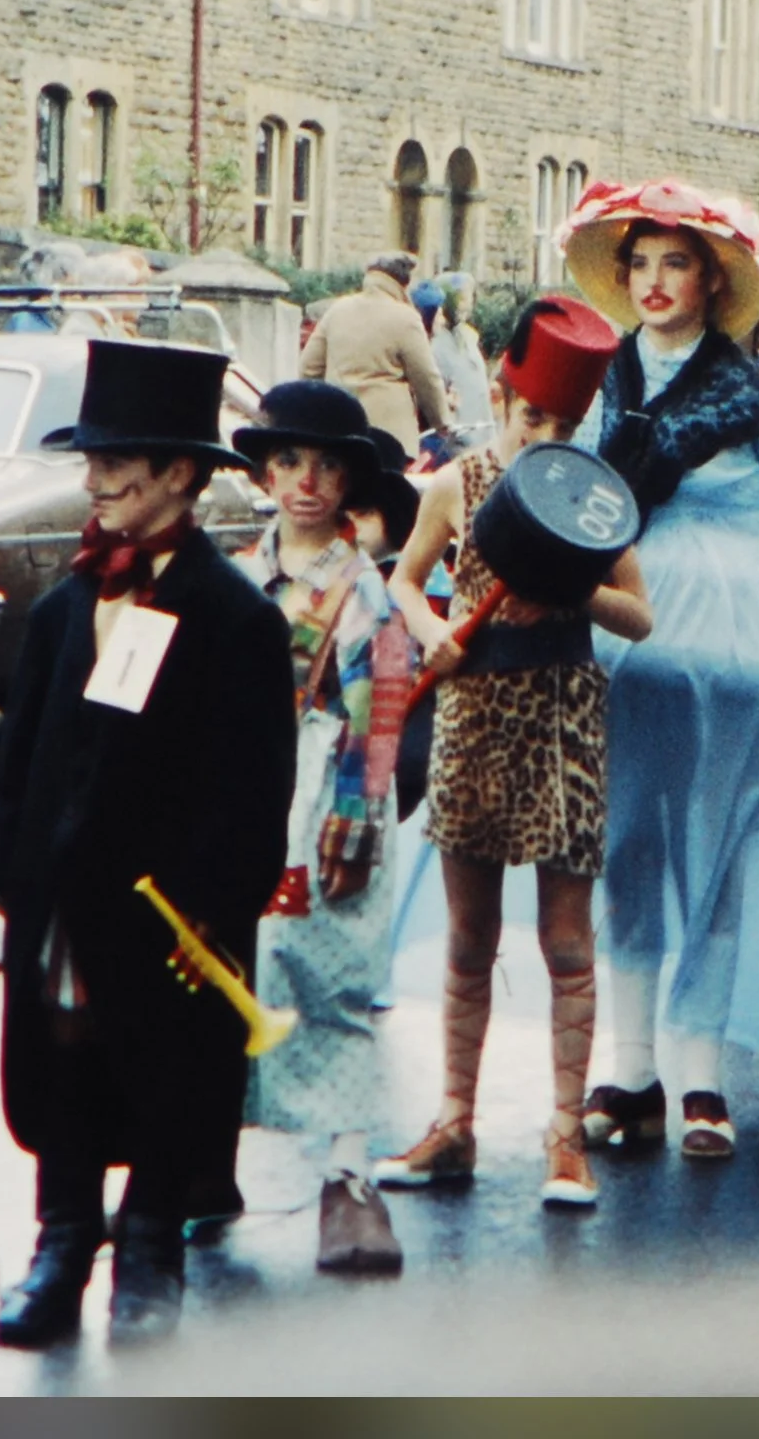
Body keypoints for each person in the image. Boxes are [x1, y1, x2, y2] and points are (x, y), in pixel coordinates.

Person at [0, 340, 295, 1348]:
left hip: (172, 904)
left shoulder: (236, 617)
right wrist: (13, 883)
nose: (98, 482)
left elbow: (253, 784)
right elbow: (23, 757)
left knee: (167, 1065)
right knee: (63, 1062)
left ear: (182, 475)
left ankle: (151, 1244)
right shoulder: (65, 605)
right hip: (68, 892)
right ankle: (62, 1244)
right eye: (92, 464)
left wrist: (209, 895)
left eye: (120, 464)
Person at [563, 178, 759, 1160]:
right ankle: (631, 1068)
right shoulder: (604, 382)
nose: (655, 282)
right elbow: (571, 499)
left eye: (676, 263)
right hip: (631, 645)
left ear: (710, 281)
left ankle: (703, 1077)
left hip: (746, 651)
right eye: (640, 265)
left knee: (723, 848)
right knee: (626, 848)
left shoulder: (748, 393)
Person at [376, 296, 653, 1207]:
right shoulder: (457, 481)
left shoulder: (596, 492)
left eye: (565, 423)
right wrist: (432, 633)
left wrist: (577, 591)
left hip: (564, 714)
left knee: (567, 944)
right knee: (469, 940)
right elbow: (407, 584)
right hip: (474, 710)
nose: (545, 436)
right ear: (500, 392)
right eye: (532, 416)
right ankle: (454, 1122)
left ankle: (566, 1136)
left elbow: (640, 617)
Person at [229, 382, 414, 1274]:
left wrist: (353, 816)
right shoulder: (233, 574)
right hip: (241, 787)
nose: (307, 482)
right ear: (265, 472)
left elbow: (381, 711)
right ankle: (197, 1164)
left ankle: (349, 1175)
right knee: (222, 969)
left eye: (328, 467)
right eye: (291, 462)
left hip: (325, 790)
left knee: (327, 968)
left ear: (350, 484)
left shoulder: (362, 590)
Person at [298, 252, 452, 455]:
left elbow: (308, 369)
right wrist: (441, 422)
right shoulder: (406, 318)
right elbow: (426, 378)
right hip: (388, 435)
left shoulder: (337, 310)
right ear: (403, 282)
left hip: (339, 429)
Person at [428, 271, 497, 430]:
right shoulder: (437, 344)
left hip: (481, 427)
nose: (467, 305)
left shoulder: (470, 337)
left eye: (469, 298)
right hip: (457, 433)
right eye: (461, 299)